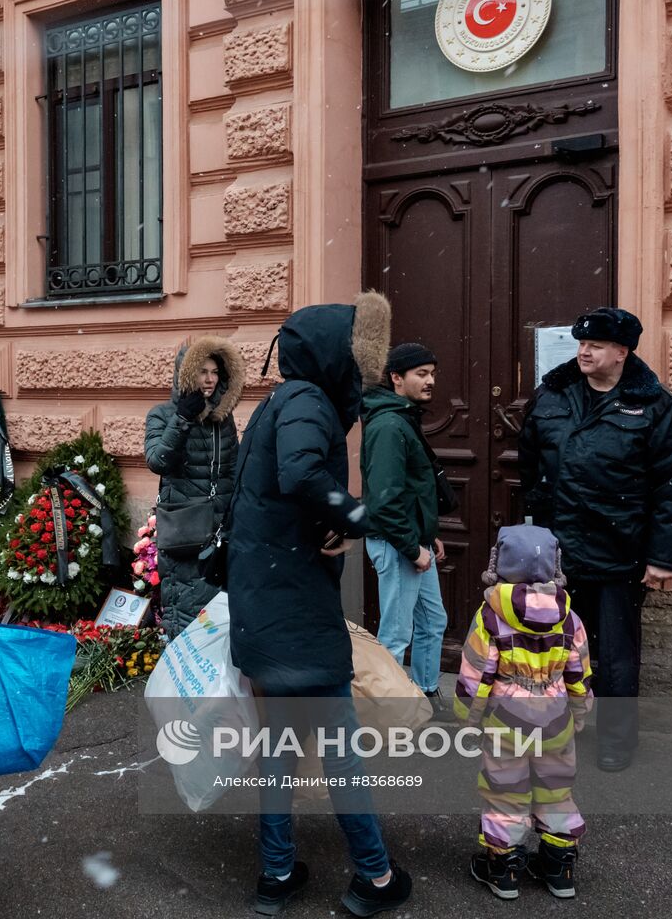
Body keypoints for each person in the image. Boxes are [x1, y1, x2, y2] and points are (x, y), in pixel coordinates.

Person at [228, 292, 413, 917]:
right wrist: (357, 518)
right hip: (294, 606)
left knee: (278, 747)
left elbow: (268, 493)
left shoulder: (279, 401)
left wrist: (317, 527)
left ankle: (276, 874)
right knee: (339, 748)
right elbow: (302, 474)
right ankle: (375, 876)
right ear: (334, 353)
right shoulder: (307, 400)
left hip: (266, 596)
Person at [518, 307, 672, 772]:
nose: (584, 351)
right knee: (549, 649)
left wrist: (662, 557)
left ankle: (616, 740)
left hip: (620, 549)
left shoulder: (653, 405)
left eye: (595, 345)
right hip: (557, 552)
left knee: (615, 656)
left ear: (622, 352)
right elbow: (529, 463)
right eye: (581, 343)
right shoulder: (553, 395)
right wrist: (538, 522)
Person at [456, 524, 593, 901]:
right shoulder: (570, 618)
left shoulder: (490, 616)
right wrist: (579, 712)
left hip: (507, 721)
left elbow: (476, 673)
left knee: (506, 792)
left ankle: (503, 871)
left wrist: (469, 716)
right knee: (555, 790)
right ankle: (558, 868)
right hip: (555, 718)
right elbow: (579, 673)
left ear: (498, 565)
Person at [359, 342, 450, 719]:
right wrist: (413, 547)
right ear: (397, 378)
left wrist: (427, 534)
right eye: (421, 374)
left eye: (432, 373)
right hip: (398, 545)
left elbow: (408, 489)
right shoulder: (388, 424)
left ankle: (426, 692)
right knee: (396, 634)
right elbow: (384, 499)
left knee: (433, 620)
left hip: (413, 540)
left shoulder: (403, 416)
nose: (431, 381)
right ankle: (387, 714)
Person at [144, 336, 243, 637]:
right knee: (186, 618)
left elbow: (233, 470)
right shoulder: (162, 415)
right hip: (185, 533)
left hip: (220, 532)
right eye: (202, 371)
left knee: (220, 620)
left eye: (215, 372)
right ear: (186, 373)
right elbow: (157, 460)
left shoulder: (222, 420)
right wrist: (183, 419)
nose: (209, 379)